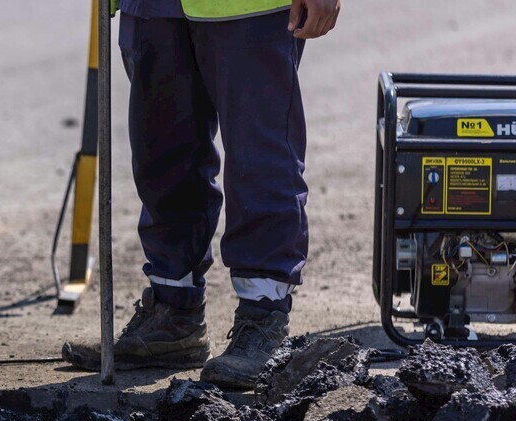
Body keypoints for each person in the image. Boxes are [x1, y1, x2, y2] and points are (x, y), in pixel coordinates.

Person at [63, 0, 341, 389]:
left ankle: (263, 317)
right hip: (152, 7)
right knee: (162, 154)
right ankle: (174, 314)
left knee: (259, 158)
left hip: (250, 7)